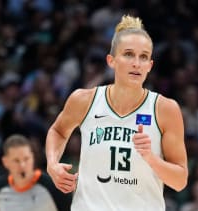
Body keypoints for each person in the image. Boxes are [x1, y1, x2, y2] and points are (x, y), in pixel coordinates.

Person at [45, 15, 188, 210]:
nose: (136, 63)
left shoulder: (165, 109)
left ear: (150, 66)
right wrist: (52, 164)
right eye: (128, 54)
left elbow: (180, 181)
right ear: (111, 60)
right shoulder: (84, 100)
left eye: (143, 56)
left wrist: (151, 158)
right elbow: (58, 131)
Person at [0, 134, 70, 211]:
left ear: (32, 158)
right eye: (16, 160)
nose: (22, 165)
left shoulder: (53, 186)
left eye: (26, 159)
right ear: (5, 162)